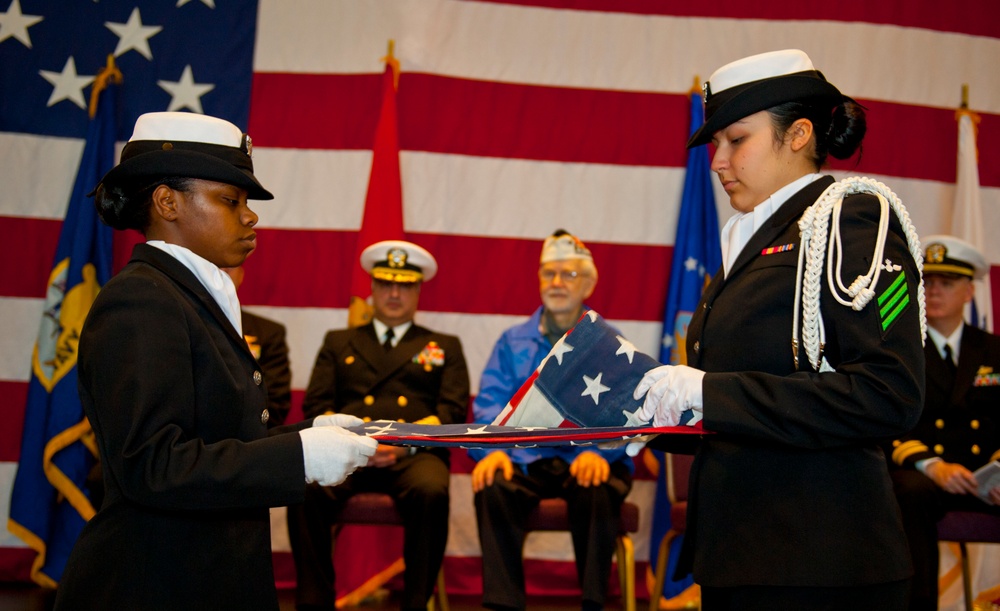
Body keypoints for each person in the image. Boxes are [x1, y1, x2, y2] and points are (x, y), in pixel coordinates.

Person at [632, 49, 926, 610]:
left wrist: (704, 393)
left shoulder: (852, 223)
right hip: (742, 554)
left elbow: (890, 393)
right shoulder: (752, 240)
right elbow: (751, 404)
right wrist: (652, 413)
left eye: (735, 140)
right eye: (716, 145)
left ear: (798, 135)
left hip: (821, 562)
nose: (718, 162)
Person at [53, 112, 378, 611]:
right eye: (230, 200)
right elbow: (154, 465)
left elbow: (220, 442)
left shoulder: (189, 296)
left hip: (206, 576)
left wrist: (310, 434)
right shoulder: (143, 299)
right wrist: (300, 457)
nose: (250, 216)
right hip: (155, 583)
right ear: (168, 202)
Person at [286, 240, 470, 611]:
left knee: (433, 490)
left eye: (404, 285)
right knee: (305, 489)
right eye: (386, 283)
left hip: (413, 455)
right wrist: (358, 447)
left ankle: (417, 601)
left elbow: (451, 412)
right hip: (349, 451)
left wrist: (400, 443)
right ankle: (314, 601)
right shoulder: (339, 342)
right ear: (371, 289)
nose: (394, 293)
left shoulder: (443, 345)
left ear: (419, 291)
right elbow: (317, 406)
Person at [468, 229, 633, 611]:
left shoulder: (610, 342)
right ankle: (502, 605)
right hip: (524, 460)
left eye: (568, 274)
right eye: (548, 273)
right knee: (492, 486)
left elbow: (628, 410)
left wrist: (603, 454)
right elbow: (490, 405)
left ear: (589, 283)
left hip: (588, 459)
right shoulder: (512, 341)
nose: (556, 283)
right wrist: (491, 453)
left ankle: (593, 603)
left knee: (597, 489)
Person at [887, 235, 1000, 610]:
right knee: (908, 491)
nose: (934, 291)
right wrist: (933, 466)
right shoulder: (898, 350)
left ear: (969, 292)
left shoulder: (994, 351)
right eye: (929, 282)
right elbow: (886, 418)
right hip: (927, 474)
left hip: (988, 473)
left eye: (946, 284)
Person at [223, 264, 292, 427]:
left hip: (252, 440)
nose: (222, 274)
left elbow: (275, 401)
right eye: (214, 267)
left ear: (241, 275)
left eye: (229, 268)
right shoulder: (182, 321)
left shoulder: (268, 332)